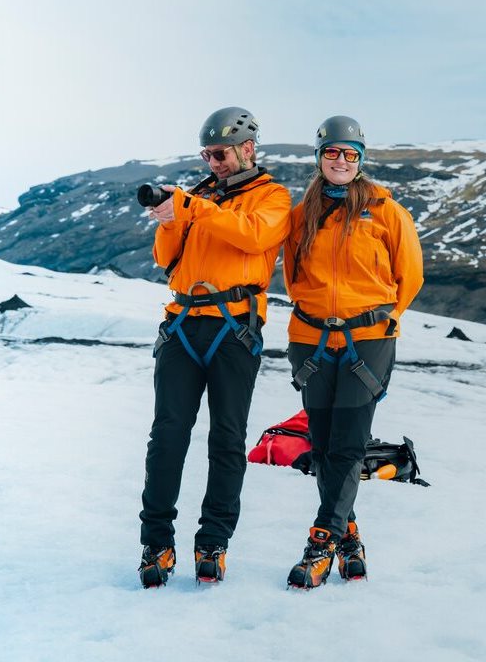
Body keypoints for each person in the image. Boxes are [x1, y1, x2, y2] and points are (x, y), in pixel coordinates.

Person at [137, 106, 292, 588]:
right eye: (207, 154)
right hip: (182, 323)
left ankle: (213, 543)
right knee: (167, 437)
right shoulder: (199, 196)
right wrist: (167, 219)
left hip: (234, 328)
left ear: (248, 148)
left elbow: (253, 237)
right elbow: (166, 259)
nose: (213, 162)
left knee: (227, 439)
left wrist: (193, 207)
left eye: (220, 153)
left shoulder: (273, 197)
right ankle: (156, 543)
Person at [282, 115, 424, 589]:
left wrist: (379, 319)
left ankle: (320, 544)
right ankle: (350, 538)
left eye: (349, 154)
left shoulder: (386, 210)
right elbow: (293, 276)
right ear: (319, 157)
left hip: (369, 341)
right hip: (311, 340)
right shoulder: (303, 214)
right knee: (323, 448)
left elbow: (411, 275)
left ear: (361, 159)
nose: (340, 161)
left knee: (347, 444)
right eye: (331, 152)